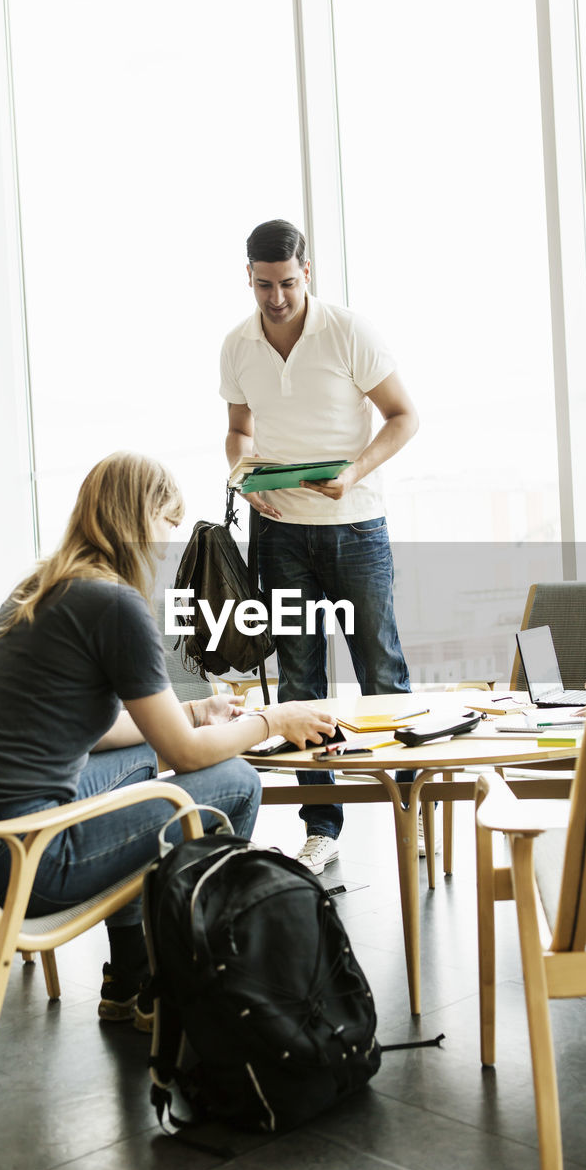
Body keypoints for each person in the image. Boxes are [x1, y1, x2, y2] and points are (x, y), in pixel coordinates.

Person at [0, 451, 335, 1030]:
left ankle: (129, 972)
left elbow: (106, 731)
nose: (165, 548)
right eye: (166, 528)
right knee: (238, 782)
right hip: (24, 862)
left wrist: (197, 709)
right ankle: (179, 976)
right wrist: (274, 722)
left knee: (136, 759)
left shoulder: (42, 586)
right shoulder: (114, 603)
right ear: (141, 516)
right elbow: (188, 757)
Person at [222, 219, 419, 875]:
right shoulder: (237, 345)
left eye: (284, 283)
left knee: (379, 672)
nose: (274, 298)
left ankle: (411, 810)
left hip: (356, 525)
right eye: (261, 285)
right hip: (278, 531)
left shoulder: (347, 331)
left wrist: (352, 473)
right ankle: (320, 826)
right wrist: (241, 473)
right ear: (246, 276)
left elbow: (402, 416)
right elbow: (238, 431)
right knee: (299, 683)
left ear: (306, 273)